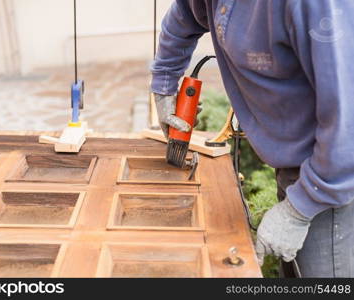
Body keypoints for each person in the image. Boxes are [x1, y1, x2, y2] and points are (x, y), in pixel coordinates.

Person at [151, 0, 354, 277]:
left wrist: (300, 209)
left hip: (336, 182)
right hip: (300, 169)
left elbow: (348, 124)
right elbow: (186, 14)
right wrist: (164, 85)